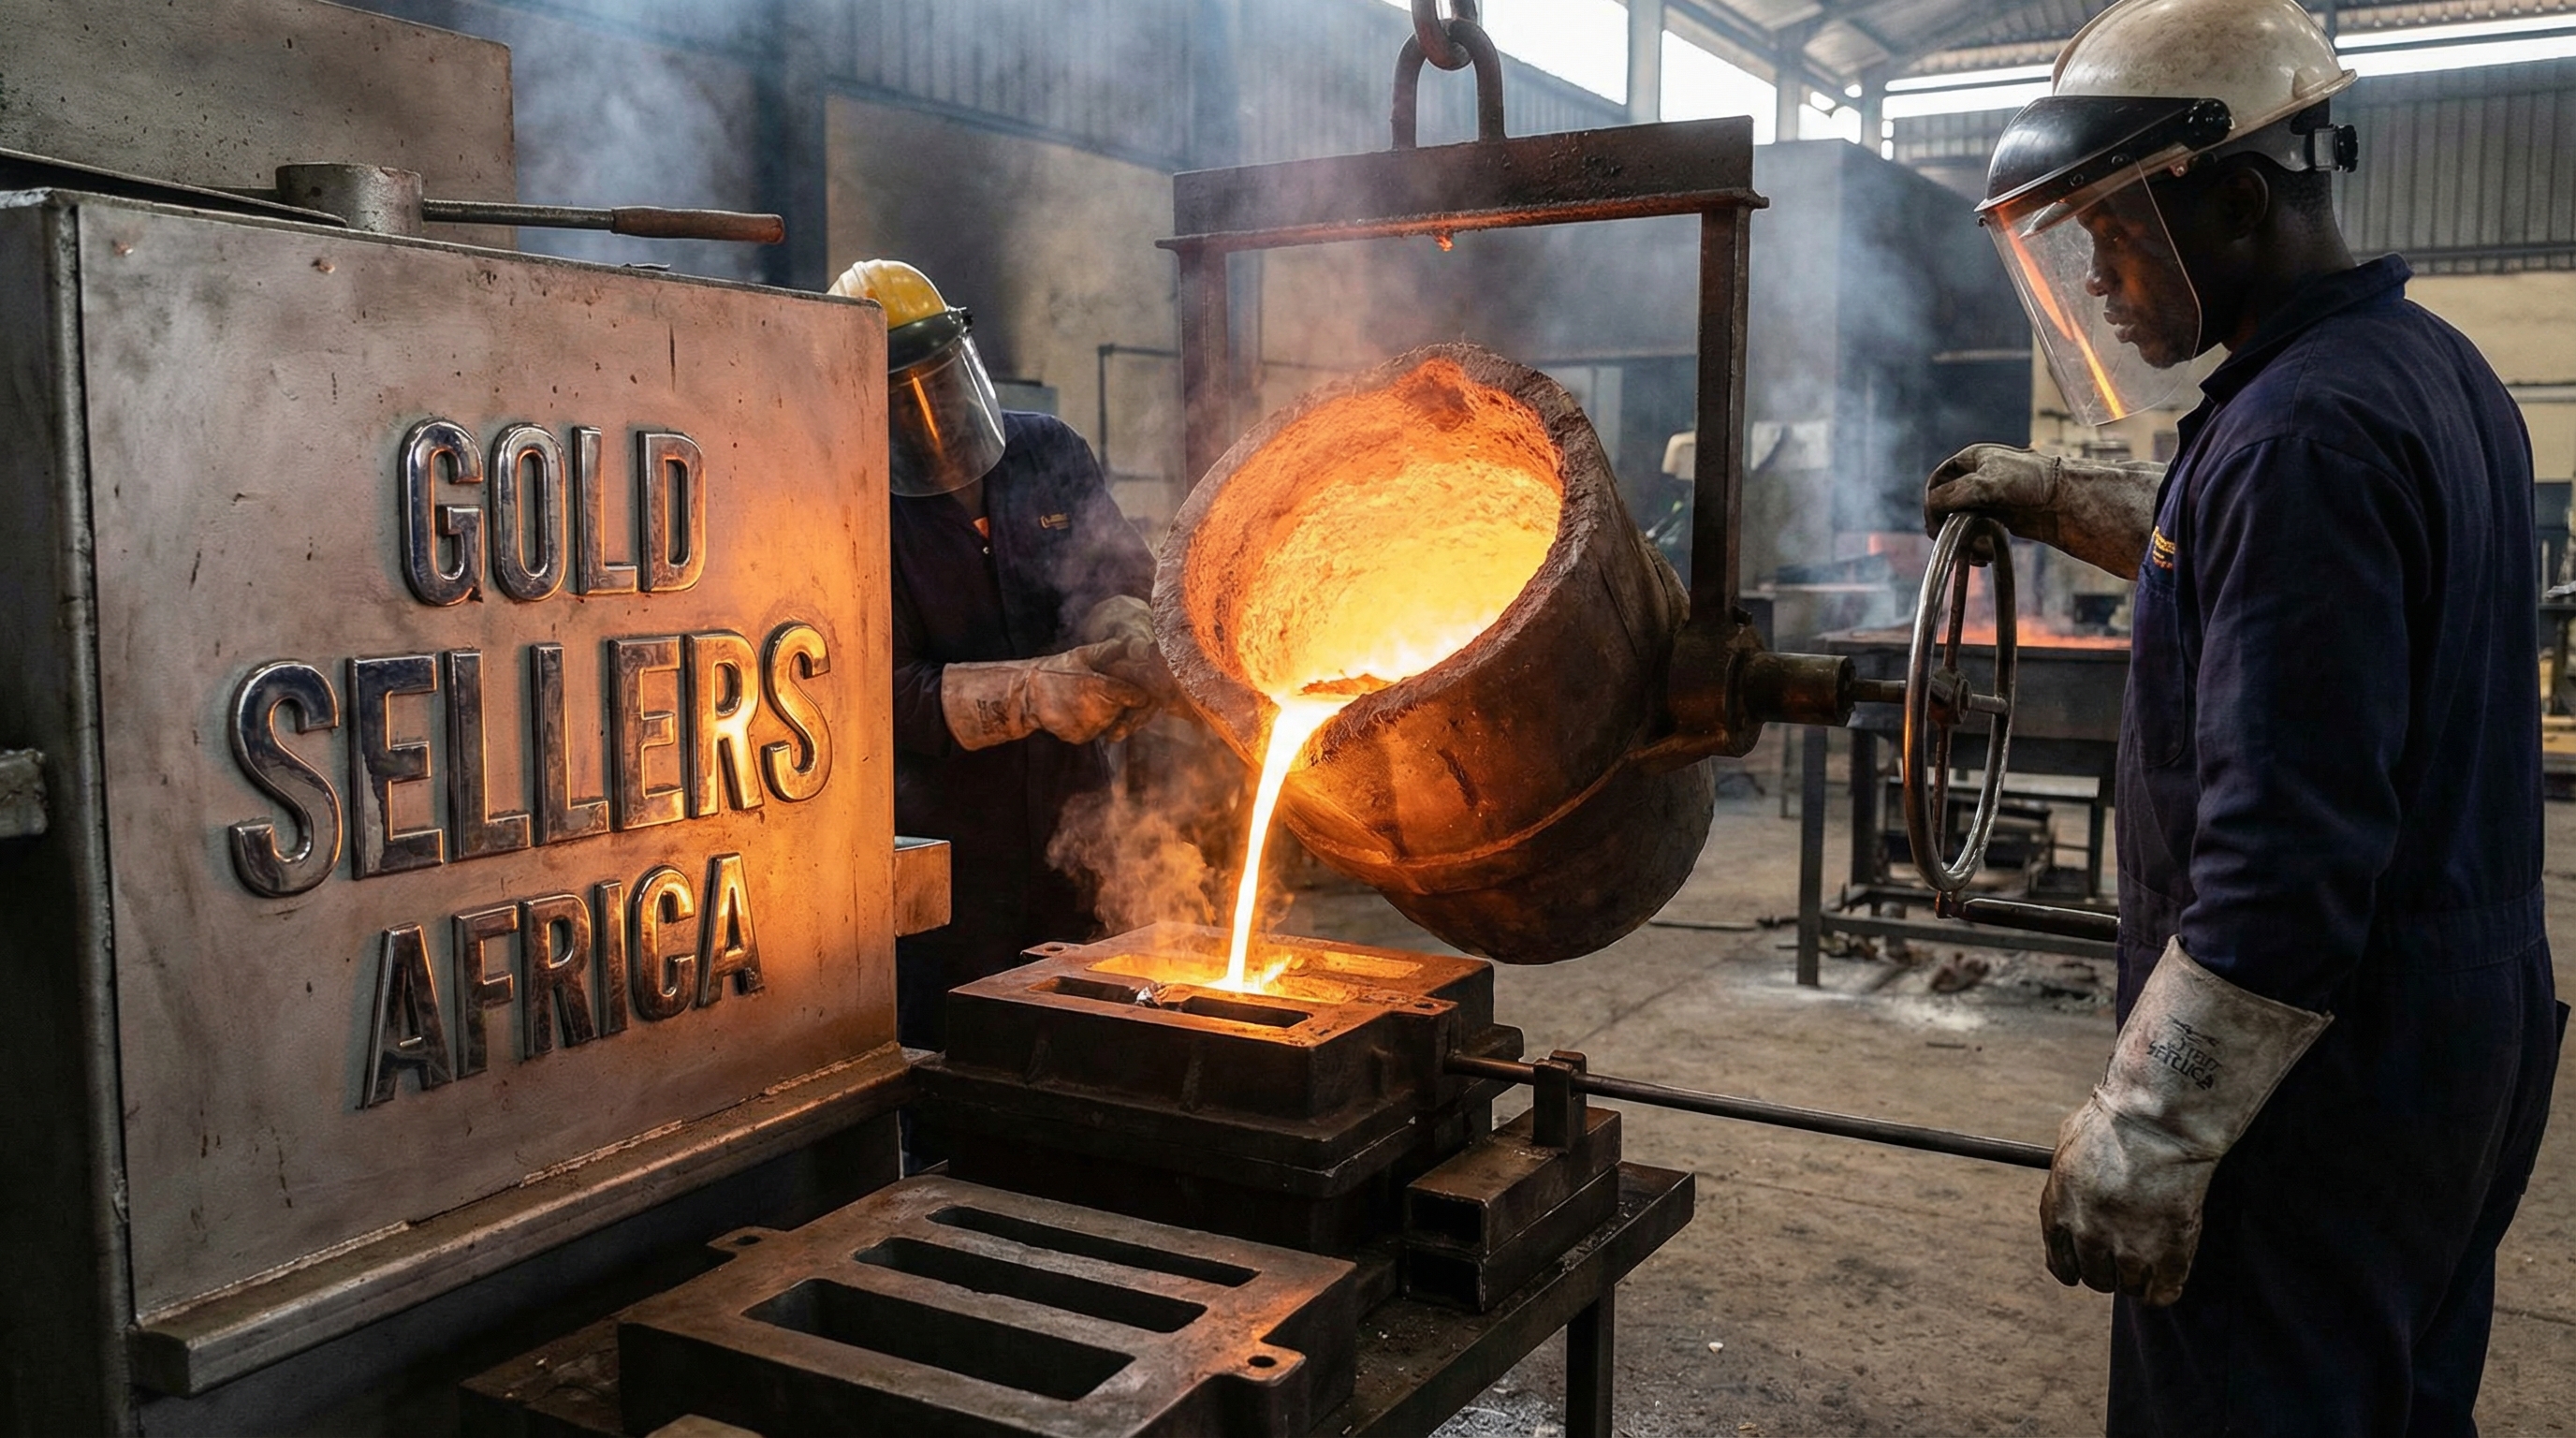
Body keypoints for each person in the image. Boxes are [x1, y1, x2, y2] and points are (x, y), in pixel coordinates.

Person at [1922, 1, 2566, 1431]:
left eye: (2114, 232)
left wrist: (2155, 1129)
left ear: (2237, 198)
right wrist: (2072, 505)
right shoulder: (2421, 372)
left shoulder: (2298, 435)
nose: (2094, 277)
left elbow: (2288, 853)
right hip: (2450, 1034)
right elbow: (2276, 573)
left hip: (2319, 1088)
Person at [828, 258, 1169, 1062]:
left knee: (1100, 1040)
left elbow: (1120, 571)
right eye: (900, 388)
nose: (929, 407)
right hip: (948, 862)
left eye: (939, 375)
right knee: (965, 1063)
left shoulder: (1045, 451)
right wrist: (1032, 694)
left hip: (1077, 823)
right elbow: (877, 690)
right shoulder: (848, 504)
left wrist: (1127, 622)